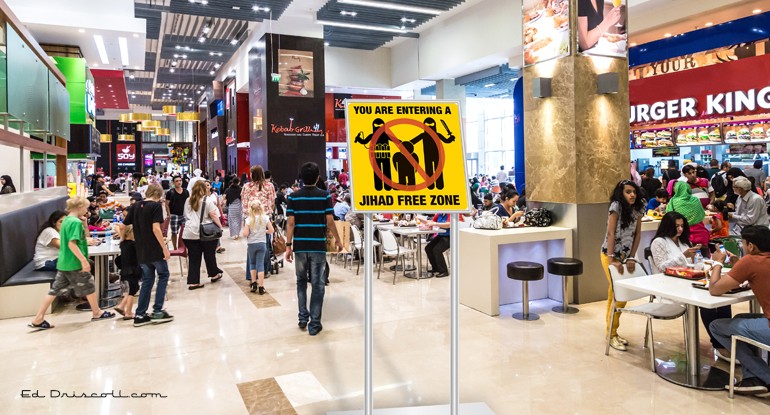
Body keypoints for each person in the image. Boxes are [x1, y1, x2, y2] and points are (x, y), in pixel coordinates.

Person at [650, 212, 731, 355]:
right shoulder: (659, 242)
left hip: (689, 281)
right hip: (669, 285)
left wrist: (703, 260)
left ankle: (726, 340)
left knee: (722, 299)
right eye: (677, 226)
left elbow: (691, 265)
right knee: (707, 303)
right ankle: (719, 345)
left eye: (682, 226)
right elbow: (662, 267)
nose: (680, 229)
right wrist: (684, 256)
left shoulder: (683, 242)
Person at [29, 197, 115, 329]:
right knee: (89, 286)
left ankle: (38, 318)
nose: (86, 210)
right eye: (85, 207)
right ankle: (97, 312)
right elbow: (72, 244)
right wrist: (83, 260)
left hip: (64, 262)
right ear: (79, 207)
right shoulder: (75, 222)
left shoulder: (66, 221)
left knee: (54, 290)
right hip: (74, 262)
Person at [708, 225, 770, 396]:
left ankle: (765, 376)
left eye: (743, 244)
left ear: (751, 246)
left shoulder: (750, 261)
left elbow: (714, 288)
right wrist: (739, 265)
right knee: (741, 317)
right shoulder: (757, 261)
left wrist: (717, 262)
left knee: (716, 326)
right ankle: (752, 378)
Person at [285, 162, 344, 336]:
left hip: (300, 246)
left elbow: (290, 223)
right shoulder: (324, 196)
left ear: (301, 178)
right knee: (318, 284)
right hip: (318, 245)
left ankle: (303, 318)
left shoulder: (293, 197)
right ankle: (315, 323)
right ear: (318, 177)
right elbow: (330, 221)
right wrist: (338, 240)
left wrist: (288, 246)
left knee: (301, 282)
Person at [601, 180, 645, 351]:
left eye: (634, 191)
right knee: (620, 296)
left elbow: (638, 234)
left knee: (615, 295)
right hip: (609, 255)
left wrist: (632, 257)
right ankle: (611, 334)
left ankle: (611, 332)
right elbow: (611, 233)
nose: (632, 195)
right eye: (628, 192)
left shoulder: (639, 207)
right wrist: (612, 258)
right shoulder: (616, 206)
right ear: (621, 193)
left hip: (626, 257)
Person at [124, 184, 173, 327]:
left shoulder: (135, 206)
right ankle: (157, 310)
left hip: (141, 250)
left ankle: (140, 314)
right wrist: (164, 249)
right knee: (163, 275)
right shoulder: (155, 206)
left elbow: (124, 225)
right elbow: (156, 229)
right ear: (159, 194)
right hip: (154, 249)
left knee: (147, 279)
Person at [182, 180, 224, 289]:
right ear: (204, 189)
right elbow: (213, 215)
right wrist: (220, 226)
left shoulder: (188, 200)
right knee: (209, 254)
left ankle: (194, 282)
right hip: (205, 232)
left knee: (193, 258)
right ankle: (214, 274)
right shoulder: (207, 200)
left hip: (189, 233)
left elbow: (186, 215)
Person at [241, 165, 276, 280]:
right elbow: (272, 202)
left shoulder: (246, 186)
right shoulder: (269, 186)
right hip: (264, 219)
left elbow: (244, 204)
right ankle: (263, 271)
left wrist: (246, 218)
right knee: (264, 245)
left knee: (251, 245)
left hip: (250, 219)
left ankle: (250, 274)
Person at [667, 181, 709, 256]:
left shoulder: (673, 201)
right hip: (701, 234)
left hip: (684, 236)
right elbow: (702, 214)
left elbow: (669, 216)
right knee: (705, 260)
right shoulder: (696, 200)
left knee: (687, 260)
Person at [243, 201, 274, 295]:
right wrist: (264, 231)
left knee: (252, 263)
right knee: (260, 264)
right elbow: (271, 230)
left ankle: (253, 284)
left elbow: (245, 234)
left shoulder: (248, 220)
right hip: (262, 244)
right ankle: (261, 287)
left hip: (251, 244)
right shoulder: (265, 218)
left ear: (251, 209)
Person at [423, 213, 463, 278]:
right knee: (428, 248)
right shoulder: (439, 214)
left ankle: (444, 271)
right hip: (441, 235)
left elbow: (448, 225)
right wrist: (420, 219)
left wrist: (435, 223)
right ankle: (436, 268)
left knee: (437, 250)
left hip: (451, 236)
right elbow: (431, 222)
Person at [114, 225, 139, 320]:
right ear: (130, 233)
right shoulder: (133, 245)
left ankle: (121, 306)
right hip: (132, 271)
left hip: (124, 271)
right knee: (132, 292)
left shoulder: (123, 244)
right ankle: (128, 312)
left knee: (131, 290)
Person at [165, 176, 189, 249]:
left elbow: (189, 203)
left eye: (180, 180)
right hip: (174, 215)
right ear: (173, 183)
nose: (179, 182)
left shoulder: (186, 191)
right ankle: (175, 247)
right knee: (174, 232)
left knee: (185, 232)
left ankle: (184, 247)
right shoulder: (170, 192)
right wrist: (169, 214)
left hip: (184, 215)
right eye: (177, 181)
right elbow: (166, 204)